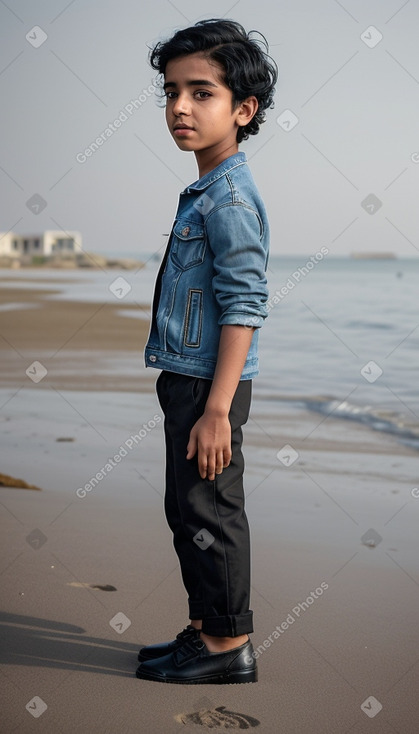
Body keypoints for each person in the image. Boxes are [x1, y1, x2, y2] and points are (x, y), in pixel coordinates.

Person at [136, 18, 277, 684]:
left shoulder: (228, 198)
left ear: (242, 110)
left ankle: (228, 647)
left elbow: (245, 307)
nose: (180, 108)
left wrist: (217, 409)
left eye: (201, 92)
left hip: (205, 388)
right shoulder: (206, 190)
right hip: (188, 379)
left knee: (209, 511)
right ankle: (204, 630)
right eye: (171, 92)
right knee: (186, 507)